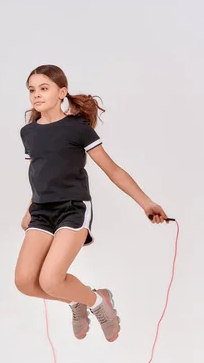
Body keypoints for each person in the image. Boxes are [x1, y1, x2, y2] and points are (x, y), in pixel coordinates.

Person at [15, 64, 168, 343]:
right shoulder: (29, 133)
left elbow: (113, 170)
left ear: (62, 92)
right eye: (32, 90)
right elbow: (39, 174)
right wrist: (29, 210)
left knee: (50, 280)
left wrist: (146, 203)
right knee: (25, 282)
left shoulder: (77, 128)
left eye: (44, 88)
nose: (36, 95)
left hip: (73, 209)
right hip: (41, 211)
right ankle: (76, 301)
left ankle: (98, 302)